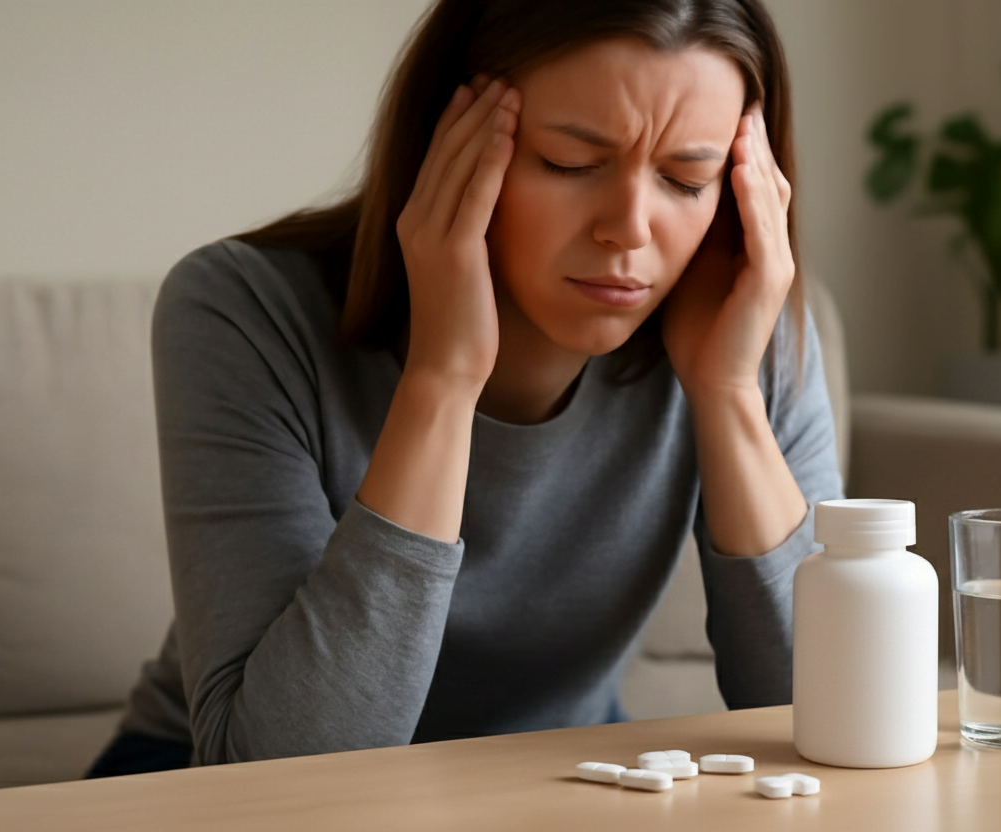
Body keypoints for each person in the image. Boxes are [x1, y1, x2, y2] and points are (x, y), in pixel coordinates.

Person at [87, 0, 843, 777]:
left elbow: (838, 717)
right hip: (208, 795)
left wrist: (726, 393)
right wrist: (442, 381)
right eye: (568, 164)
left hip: (545, 781)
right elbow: (282, 769)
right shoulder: (242, 309)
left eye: (687, 178)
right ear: (443, 146)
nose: (630, 228)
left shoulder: (742, 324)